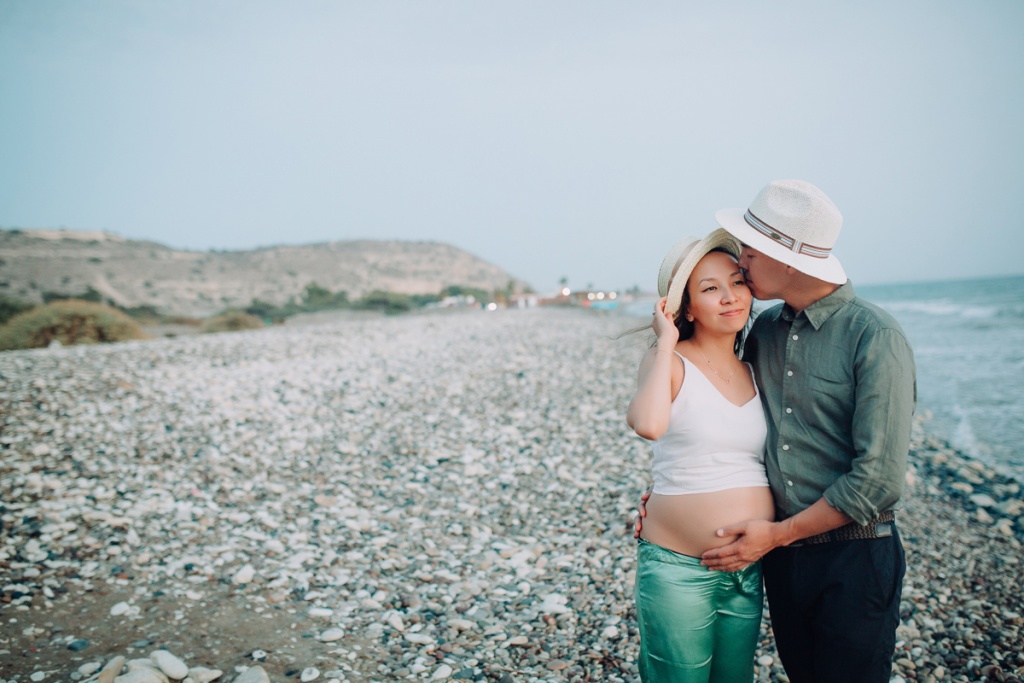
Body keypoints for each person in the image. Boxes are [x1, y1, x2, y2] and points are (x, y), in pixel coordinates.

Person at [636, 179, 916, 683]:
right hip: (777, 560)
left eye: (748, 253)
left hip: (851, 553)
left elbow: (878, 480)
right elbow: (709, 421)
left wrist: (775, 535)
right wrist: (668, 500)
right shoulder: (765, 332)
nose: (741, 263)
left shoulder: (874, 335)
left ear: (787, 259)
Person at [627, 229, 773, 682]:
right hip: (679, 568)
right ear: (687, 307)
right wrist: (665, 342)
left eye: (737, 282)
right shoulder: (670, 362)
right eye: (710, 289)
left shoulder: (757, 368)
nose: (730, 297)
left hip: (747, 566)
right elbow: (648, 425)